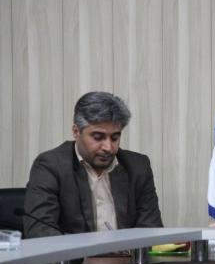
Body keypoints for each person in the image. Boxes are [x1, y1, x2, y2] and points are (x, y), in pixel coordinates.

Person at [23, 91, 163, 238]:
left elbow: (151, 228)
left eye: (115, 138)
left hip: (128, 254)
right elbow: (40, 231)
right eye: (98, 137)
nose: (108, 147)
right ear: (76, 131)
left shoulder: (137, 166)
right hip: (75, 253)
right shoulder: (50, 166)